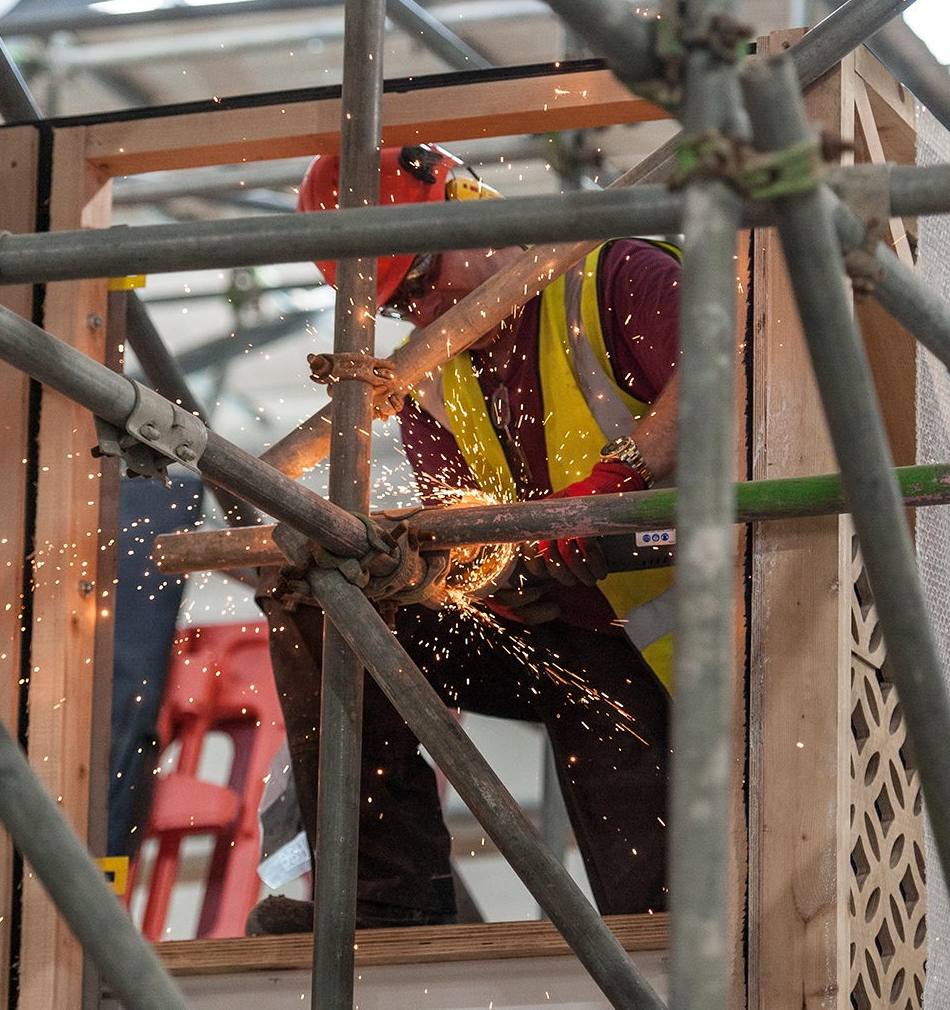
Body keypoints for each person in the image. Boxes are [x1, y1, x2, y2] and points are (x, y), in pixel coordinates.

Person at [247, 144, 680, 934]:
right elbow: (460, 510)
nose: (418, 310)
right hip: (566, 634)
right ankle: (382, 901)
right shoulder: (431, 372)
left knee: (658, 922)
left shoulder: (614, 275)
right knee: (324, 597)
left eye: (418, 279)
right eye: (398, 301)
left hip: (694, 644)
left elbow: (735, 366)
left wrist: (622, 476)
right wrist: (471, 571)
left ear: (477, 207)